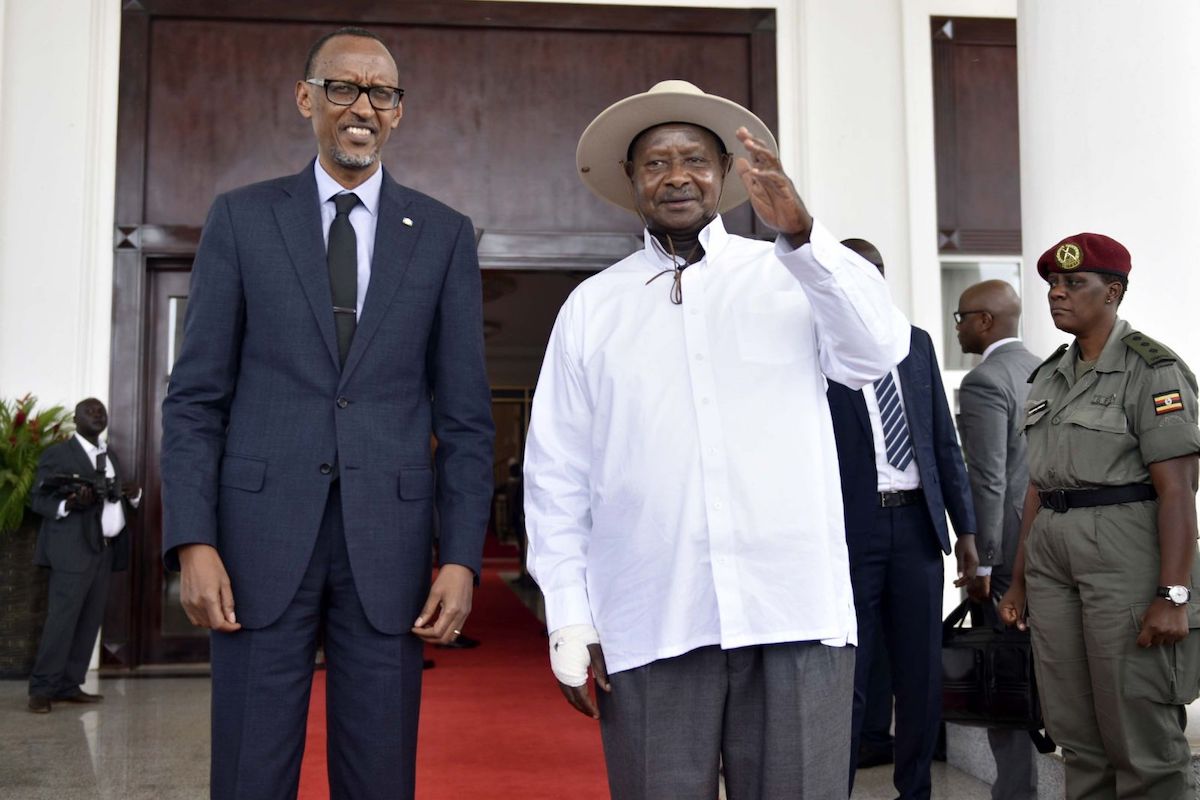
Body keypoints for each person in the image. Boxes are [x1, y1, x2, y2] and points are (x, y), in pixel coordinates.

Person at [523, 80, 910, 799]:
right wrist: (569, 616)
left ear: (726, 173)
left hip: (792, 608)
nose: (677, 177)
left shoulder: (789, 275)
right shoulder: (591, 309)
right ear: (631, 180)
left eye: (695, 160)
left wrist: (804, 234)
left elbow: (877, 350)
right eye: (656, 163)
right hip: (654, 615)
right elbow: (557, 477)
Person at [160, 27, 494, 800]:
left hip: (390, 547)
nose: (362, 107)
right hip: (255, 543)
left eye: (381, 93)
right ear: (305, 98)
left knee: (379, 777)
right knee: (248, 773)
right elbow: (195, 399)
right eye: (343, 87)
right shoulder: (242, 219)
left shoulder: (442, 235)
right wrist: (193, 540)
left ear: (398, 112)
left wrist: (461, 558)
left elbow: (467, 420)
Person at [999, 233, 1200, 799]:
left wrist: (1174, 594)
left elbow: (1178, 491)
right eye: (1052, 284)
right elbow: (1039, 486)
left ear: (1112, 292)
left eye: (1073, 283)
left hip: (1123, 552)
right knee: (1076, 734)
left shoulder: (1152, 369)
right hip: (1052, 555)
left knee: (1138, 732)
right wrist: (1019, 581)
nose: (1056, 293)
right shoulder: (1049, 375)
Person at [826, 238, 978, 800]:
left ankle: (915, 791)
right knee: (851, 674)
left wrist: (966, 530)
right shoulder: (820, 347)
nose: (866, 282)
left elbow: (943, 441)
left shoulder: (915, 343)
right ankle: (835, 788)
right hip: (851, 533)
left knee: (921, 671)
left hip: (917, 529)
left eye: (875, 272)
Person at [953, 279, 1041, 800]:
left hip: (1006, 553)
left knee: (1006, 676)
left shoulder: (984, 380)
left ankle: (1015, 792)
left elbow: (987, 477)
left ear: (985, 321)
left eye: (961, 316)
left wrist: (983, 564)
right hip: (1049, 543)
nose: (958, 327)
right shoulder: (1047, 369)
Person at [27, 398, 140, 713]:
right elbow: (37, 499)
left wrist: (134, 495)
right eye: (90, 411)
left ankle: (68, 684)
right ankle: (41, 689)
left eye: (101, 410)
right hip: (71, 551)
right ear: (75, 420)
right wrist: (69, 504)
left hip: (104, 550)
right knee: (61, 621)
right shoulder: (59, 454)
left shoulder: (108, 455)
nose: (98, 414)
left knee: (89, 621)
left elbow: (115, 498)